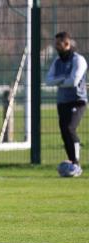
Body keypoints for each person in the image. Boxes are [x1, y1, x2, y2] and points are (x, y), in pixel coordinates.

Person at [46, 31, 87, 177]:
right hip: (62, 101)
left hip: (77, 100)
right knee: (64, 131)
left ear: (67, 44)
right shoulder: (57, 62)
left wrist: (59, 81)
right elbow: (48, 80)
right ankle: (72, 162)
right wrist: (64, 78)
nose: (56, 47)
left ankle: (76, 163)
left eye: (58, 44)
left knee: (70, 128)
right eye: (55, 44)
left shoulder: (78, 60)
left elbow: (74, 81)